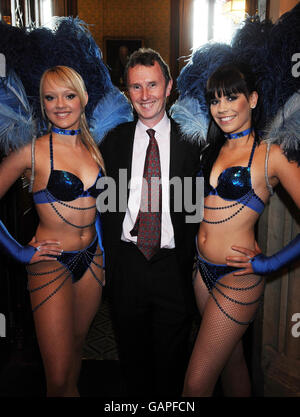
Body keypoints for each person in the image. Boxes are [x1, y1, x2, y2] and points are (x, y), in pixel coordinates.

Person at [181, 62, 300, 397]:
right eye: (215, 100)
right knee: (231, 364)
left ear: (252, 99)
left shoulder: (271, 155)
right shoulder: (212, 148)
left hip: (239, 276)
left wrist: (270, 264)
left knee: (195, 383)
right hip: (201, 271)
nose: (222, 108)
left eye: (231, 98)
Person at [99, 48, 201, 396]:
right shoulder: (113, 142)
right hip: (127, 265)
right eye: (136, 87)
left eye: (153, 85)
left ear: (169, 86)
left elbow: (202, 205)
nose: (145, 95)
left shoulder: (193, 142)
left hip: (173, 267)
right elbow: (103, 204)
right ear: (127, 91)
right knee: (133, 360)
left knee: (173, 363)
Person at [0, 66, 105, 396]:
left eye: (69, 95)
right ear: (42, 104)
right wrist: (20, 251)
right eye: (51, 97)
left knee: (76, 351)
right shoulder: (31, 152)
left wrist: (102, 249)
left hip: (93, 263)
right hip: (51, 263)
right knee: (57, 376)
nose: (60, 104)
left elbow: (96, 208)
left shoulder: (94, 150)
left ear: (84, 99)